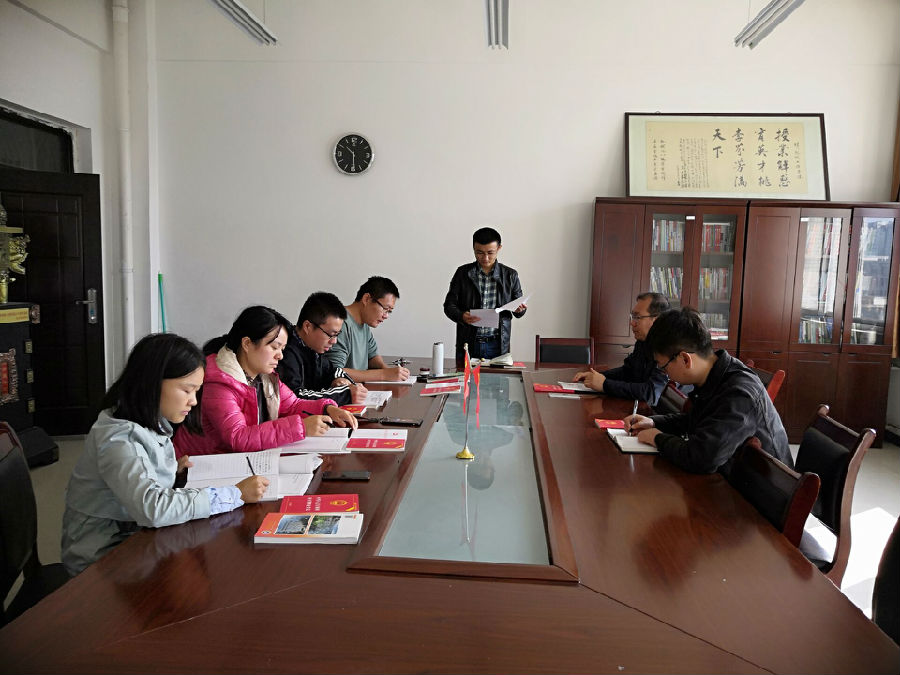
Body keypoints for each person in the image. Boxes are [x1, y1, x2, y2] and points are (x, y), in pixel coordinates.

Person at [60, 333, 270, 576]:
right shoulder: (119, 439)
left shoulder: (150, 422)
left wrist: (173, 473)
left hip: (135, 539)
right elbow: (153, 508)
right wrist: (235, 494)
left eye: (196, 391)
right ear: (152, 383)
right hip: (100, 562)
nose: (193, 402)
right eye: (187, 390)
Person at [623, 307, 791, 475]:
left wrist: (656, 438)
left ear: (685, 359)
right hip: (731, 473)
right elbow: (698, 421)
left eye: (663, 366)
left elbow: (702, 458)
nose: (664, 373)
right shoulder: (714, 374)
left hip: (763, 486)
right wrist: (654, 423)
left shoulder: (740, 392)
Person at [174, 305, 356, 458]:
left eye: (282, 349)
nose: (280, 355)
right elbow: (238, 437)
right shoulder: (220, 383)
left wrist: (326, 409)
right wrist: (301, 427)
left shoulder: (264, 377)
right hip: (196, 469)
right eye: (274, 347)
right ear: (247, 344)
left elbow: (293, 405)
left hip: (237, 461)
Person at [443, 226, 527, 362]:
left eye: (490, 252)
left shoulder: (510, 275)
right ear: (473, 249)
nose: (485, 258)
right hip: (468, 343)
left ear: (499, 248)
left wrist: (520, 309)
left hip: (498, 344)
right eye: (479, 253)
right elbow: (449, 306)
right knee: (465, 376)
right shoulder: (463, 273)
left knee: (497, 377)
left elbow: (519, 310)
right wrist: (461, 316)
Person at [573, 292, 671, 405]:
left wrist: (604, 384)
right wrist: (596, 377)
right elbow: (627, 372)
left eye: (637, 317)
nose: (632, 323)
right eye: (632, 317)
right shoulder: (643, 342)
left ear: (656, 320)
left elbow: (651, 393)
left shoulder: (668, 349)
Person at [278, 291, 368, 406]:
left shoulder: (312, 348)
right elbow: (295, 398)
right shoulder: (286, 352)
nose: (334, 341)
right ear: (307, 327)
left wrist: (339, 380)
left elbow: (334, 371)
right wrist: (345, 394)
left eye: (337, 335)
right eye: (331, 334)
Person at [328, 276, 410, 383]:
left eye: (389, 311)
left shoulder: (364, 323)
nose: (386, 316)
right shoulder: (340, 323)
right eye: (385, 309)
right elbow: (335, 372)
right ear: (366, 299)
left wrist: (387, 370)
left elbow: (372, 356)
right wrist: (384, 374)